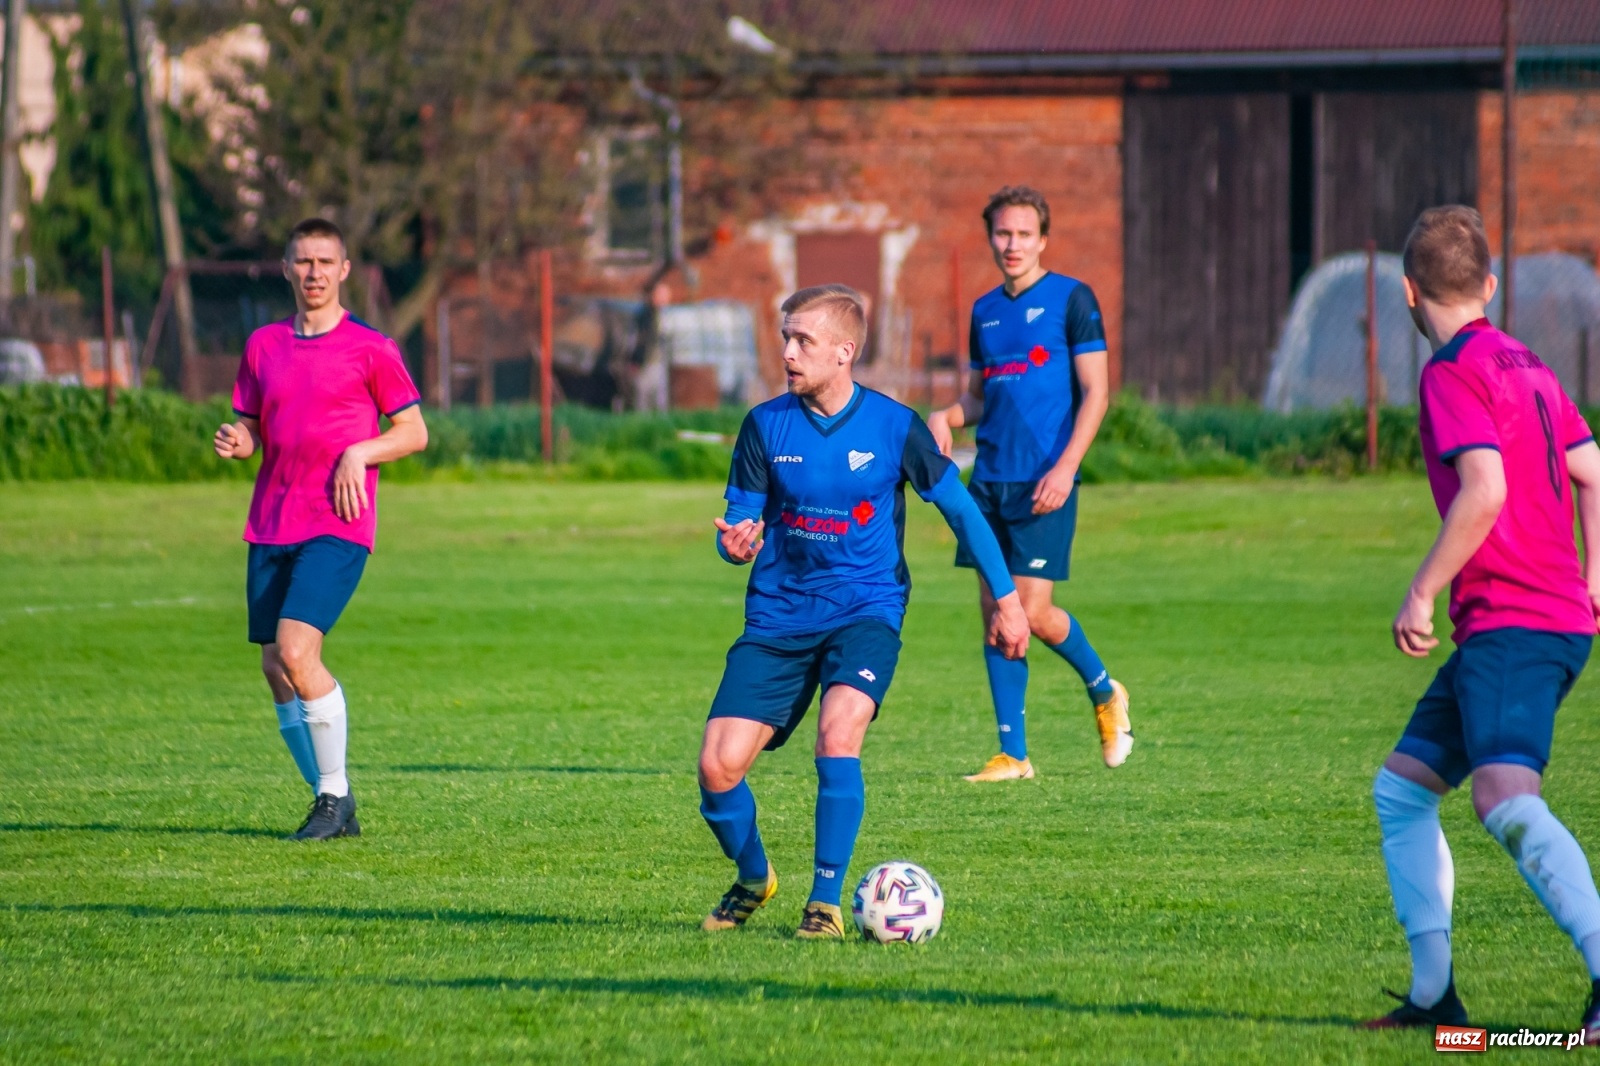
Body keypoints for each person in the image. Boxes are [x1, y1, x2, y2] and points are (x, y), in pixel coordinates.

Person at [698, 283, 1030, 938]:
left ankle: (823, 904)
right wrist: (734, 543)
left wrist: (1009, 601)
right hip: (779, 614)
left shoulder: (893, 426)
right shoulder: (766, 425)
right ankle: (754, 877)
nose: (788, 352)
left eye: (804, 341)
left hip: (866, 609)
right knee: (717, 767)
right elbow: (737, 521)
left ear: (844, 351)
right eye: (785, 338)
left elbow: (962, 512)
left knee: (839, 731)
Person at [1364, 205, 1600, 1041]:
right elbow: (1592, 468)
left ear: (1406, 292)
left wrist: (1423, 590)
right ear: (1490, 286)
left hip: (1514, 619)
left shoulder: (1451, 371)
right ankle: (1434, 996)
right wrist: (1594, 581)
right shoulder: (1527, 362)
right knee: (1401, 791)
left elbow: (1486, 488)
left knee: (1504, 797)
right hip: (1540, 619)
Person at [214, 217, 427, 840]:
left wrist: (360, 453)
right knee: (275, 668)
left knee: (298, 651)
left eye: (324, 262)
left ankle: (333, 798)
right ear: (286, 268)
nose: (313, 273)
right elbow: (252, 423)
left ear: (344, 271)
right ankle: (333, 800)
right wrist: (239, 438)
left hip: (338, 523)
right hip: (270, 522)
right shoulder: (263, 345)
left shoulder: (372, 347)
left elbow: (414, 432)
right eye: (302, 262)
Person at [927, 185, 1130, 783]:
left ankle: (1103, 690)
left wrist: (1066, 467)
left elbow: (1097, 392)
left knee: (1033, 611)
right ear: (991, 237)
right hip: (988, 480)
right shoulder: (985, 311)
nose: (1011, 245)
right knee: (997, 611)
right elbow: (979, 396)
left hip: (1046, 480)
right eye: (1001, 234)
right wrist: (946, 416)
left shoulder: (1072, 299)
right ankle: (1013, 754)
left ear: (1043, 238)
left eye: (1023, 234)